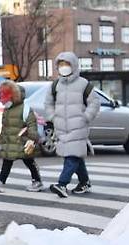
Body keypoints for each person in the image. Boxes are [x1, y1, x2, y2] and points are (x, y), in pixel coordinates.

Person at [45, 52, 99, 198]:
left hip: (79, 127)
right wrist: (52, 117)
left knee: (72, 156)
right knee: (75, 156)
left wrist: (85, 117)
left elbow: (94, 103)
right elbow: (48, 103)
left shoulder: (84, 84)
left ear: (73, 65)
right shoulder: (55, 85)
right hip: (61, 127)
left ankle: (62, 184)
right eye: (61, 64)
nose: (63, 67)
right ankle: (84, 182)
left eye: (66, 64)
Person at [0, 80, 43, 193]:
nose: (4, 103)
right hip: (10, 142)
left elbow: (32, 124)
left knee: (29, 161)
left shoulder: (25, 109)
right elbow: (5, 126)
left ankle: (37, 181)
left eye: (6, 100)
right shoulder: (7, 109)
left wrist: (32, 138)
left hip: (23, 141)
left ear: (14, 96)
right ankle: (1, 181)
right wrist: (2, 138)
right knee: (7, 161)